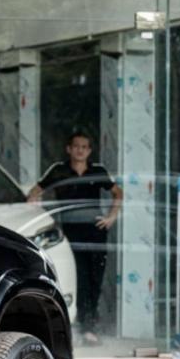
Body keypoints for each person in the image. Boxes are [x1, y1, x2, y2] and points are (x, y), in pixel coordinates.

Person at [27, 130, 122, 346]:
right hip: (70, 234)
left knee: (95, 278)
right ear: (69, 149)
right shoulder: (59, 171)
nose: (80, 150)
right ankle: (81, 327)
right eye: (76, 146)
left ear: (89, 151)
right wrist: (41, 216)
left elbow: (118, 192)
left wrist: (112, 216)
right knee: (78, 278)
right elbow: (34, 193)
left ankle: (90, 325)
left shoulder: (97, 171)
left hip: (96, 231)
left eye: (84, 147)